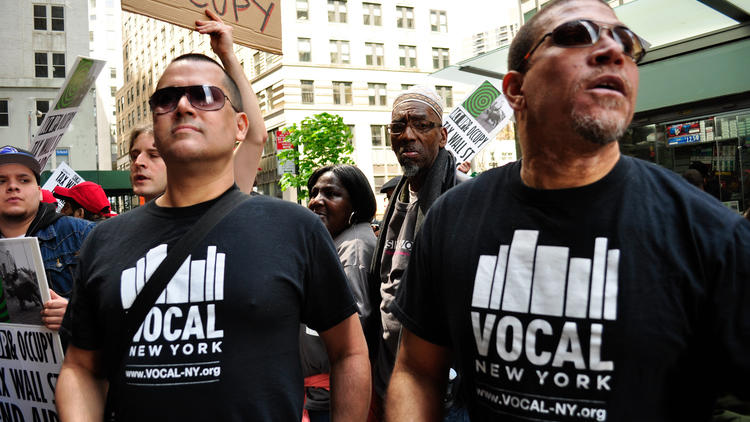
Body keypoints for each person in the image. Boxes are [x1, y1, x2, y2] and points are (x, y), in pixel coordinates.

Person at [386, 1, 750, 421]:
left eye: (626, 43)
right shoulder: (452, 219)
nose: (614, 51)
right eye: (576, 35)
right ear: (515, 89)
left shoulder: (712, 236)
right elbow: (416, 371)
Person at [56, 14, 370, 421]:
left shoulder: (294, 228)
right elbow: (81, 368)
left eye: (205, 95)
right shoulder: (103, 241)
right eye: (166, 99)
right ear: (155, 121)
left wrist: (229, 54)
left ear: (239, 126)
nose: (183, 105)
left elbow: (348, 351)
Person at [366, 85, 459, 420]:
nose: (407, 135)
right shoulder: (397, 198)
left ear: (443, 135)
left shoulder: (462, 200)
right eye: (398, 127)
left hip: (444, 393)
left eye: (421, 125)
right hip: (388, 379)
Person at [128, 10, 266, 203]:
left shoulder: (224, 199)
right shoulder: (111, 233)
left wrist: (227, 55)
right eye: (134, 156)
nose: (139, 163)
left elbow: (256, 135)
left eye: (153, 155)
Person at [301, 164, 378, 422]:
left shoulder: (353, 247)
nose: (316, 201)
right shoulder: (341, 241)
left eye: (330, 194)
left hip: (333, 392)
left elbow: (354, 321)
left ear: (354, 205)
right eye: (314, 192)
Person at [0, 146, 94, 332]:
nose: (12, 186)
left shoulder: (82, 235)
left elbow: (121, 308)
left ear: (39, 190)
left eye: (24, 180)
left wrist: (75, 315)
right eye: (1, 181)